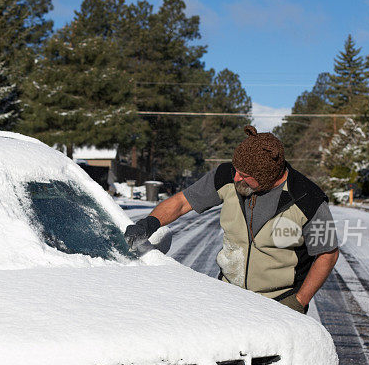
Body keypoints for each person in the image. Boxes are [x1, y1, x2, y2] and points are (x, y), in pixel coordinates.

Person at [124, 126, 339, 313]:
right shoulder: (226, 176)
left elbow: (327, 253)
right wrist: (149, 223)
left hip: (279, 304)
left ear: (266, 176)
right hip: (229, 298)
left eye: (244, 175)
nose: (236, 178)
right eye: (236, 170)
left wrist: (299, 301)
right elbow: (182, 201)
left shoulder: (309, 198)